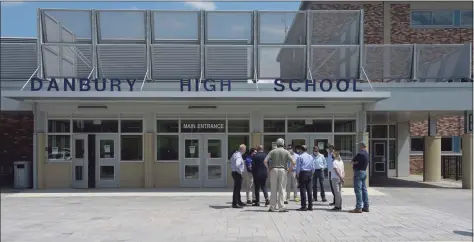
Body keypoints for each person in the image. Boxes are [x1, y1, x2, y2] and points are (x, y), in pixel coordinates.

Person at [264, 138, 295, 212]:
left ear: (277, 144)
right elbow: (293, 162)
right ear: (283, 144)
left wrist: (268, 168)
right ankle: (281, 207)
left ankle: (272, 207)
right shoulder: (286, 152)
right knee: (282, 188)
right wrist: (289, 169)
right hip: (283, 170)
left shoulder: (272, 151)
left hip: (273, 170)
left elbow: (265, 161)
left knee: (273, 189)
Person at [349, 141, 370, 213]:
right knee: (364, 189)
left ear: (361, 146)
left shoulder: (360, 154)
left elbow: (351, 161)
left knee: (358, 190)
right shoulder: (367, 154)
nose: (358, 147)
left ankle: (358, 207)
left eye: (359, 145)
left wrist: (355, 162)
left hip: (358, 173)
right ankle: (366, 206)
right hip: (364, 172)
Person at [295, 145, 315, 211]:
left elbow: (298, 167)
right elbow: (313, 166)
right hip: (309, 173)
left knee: (303, 190)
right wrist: (312, 173)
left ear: (301, 149)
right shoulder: (310, 156)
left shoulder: (300, 157)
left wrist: (297, 174)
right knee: (309, 190)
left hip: (303, 173)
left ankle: (304, 206)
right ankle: (310, 206)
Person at [230, 144, 247, 208]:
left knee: (237, 188)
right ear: (242, 149)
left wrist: (233, 168)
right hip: (237, 173)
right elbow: (237, 164)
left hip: (234, 172)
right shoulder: (239, 156)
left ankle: (238, 201)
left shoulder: (234, 154)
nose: (245, 151)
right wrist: (240, 172)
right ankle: (235, 203)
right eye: (244, 149)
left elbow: (231, 161)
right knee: (237, 189)